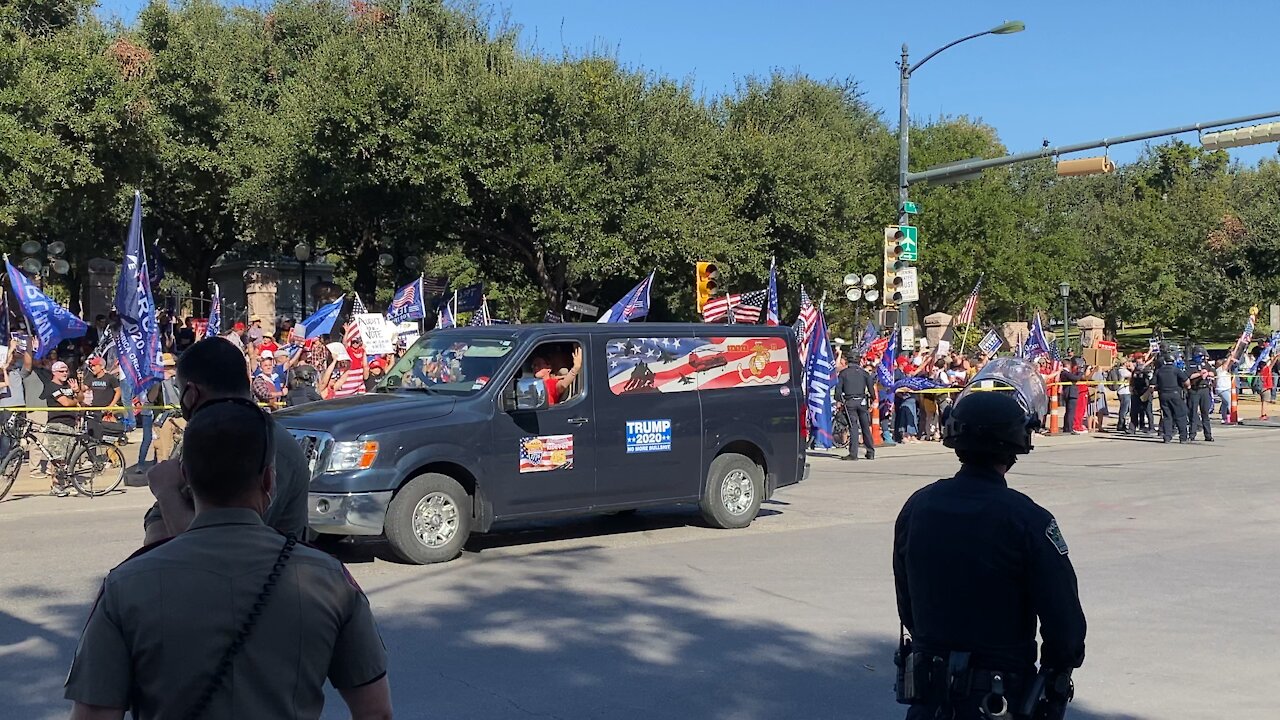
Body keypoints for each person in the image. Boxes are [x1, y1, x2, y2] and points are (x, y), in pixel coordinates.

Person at [64, 400, 393, 720]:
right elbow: (375, 711)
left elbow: (93, 714)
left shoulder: (126, 585)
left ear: (185, 479)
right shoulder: (329, 579)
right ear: (268, 481)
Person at [893, 391, 1086, 719]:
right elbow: (1064, 624)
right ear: (1015, 446)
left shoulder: (917, 506)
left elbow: (907, 604)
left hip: (931, 697)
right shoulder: (1028, 519)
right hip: (998, 700)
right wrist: (1056, 670)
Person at [143, 338, 310, 545]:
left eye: (180, 390)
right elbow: (158, 526)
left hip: (263, 573)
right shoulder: (202, 433)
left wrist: (167, 493)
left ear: (191, 393)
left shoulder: (267, 443)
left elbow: (214, 543)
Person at [41, 360, 80, 495]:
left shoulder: (68, 386)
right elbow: (66, 403)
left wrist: (76, 391)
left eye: (66, 371)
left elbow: (80, 398)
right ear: (54, 373)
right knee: (57, 457)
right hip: (57, 425)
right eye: (61, 371)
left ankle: (66, 483)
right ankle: (56, 485)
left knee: (68, 457)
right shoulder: (51, 386)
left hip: (70, 424)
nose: (64, 373)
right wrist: (76, 400)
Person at [836, 354, 876, 460]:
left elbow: (838, 390)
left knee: (853, 427)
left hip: (850, 401)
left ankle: (853, 453)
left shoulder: (843, 373)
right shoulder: (864, 373)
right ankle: (870, 452)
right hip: (862, 401)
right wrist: (873, 399)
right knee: (865, 427)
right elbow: (871, 388)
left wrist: (839, 401)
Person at [1153, 354, 1190, 444]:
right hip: (1175, 394)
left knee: (1166, 416)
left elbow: (1152, 385)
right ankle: (1183, 437)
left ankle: (1167, 436)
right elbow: (1186, 381)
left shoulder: (1159, 371)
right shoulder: (1176, 370)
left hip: (1163, 395)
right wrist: (1187, 387)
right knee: (1180, 415)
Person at [84, 356, 122, 441]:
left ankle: (111, 454)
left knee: (109, 439)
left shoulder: (110, 378)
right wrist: (79, 381)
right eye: (91, 366)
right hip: (94, 411)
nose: (92, 368)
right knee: (92, 437)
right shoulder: (90, 378)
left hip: (107, 412)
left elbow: (118, 391)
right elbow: (83, 388)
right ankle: (92, 454)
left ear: (101, 366)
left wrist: (111, 406)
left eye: (94, 365)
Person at [1186, 353, 1215, 442]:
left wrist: (1208, 373)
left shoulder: (1205, 364)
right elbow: (1189, 376)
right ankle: (1192, 434)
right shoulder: (1190, 364)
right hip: (1194, 390)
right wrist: (1199, 374)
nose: (1202, 358)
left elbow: (1213, 372)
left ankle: (1208, 435)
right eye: (1200, 356)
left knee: (1205, 413)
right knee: (1193, 412)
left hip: (1204, 390)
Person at [1057, 358, 1083, 435]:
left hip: (1069, 393)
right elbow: (1076, 378)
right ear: (1068, 365)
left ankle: (1066, 427)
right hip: (1070, 393)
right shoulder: (1065, 373)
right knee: (1071, 412)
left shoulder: (1066, 373)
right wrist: (1080, 372)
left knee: (1068, 411)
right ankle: (1069, 428)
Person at [1112, 360, 1133, 433]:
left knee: (1126, 409)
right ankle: (1121, 424)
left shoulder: (1124, 370)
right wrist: (1133, 368)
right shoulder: (1122, 371)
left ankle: (1122, 423)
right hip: (1124, 392)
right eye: (1128, 362)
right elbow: (1132, 375)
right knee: (1124, 409)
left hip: (1126, 391)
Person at [1215, 358, 1234, 423]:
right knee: (1230, 402)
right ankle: (1233, 416)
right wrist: (1229, 357)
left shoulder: (1225, 371)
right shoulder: (1219, 370)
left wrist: (1232, 355)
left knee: (1224, 404)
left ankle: (1224, 418)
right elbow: (1226, 364)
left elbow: (1229, 364)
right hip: (1222, 389)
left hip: (1227, 388)